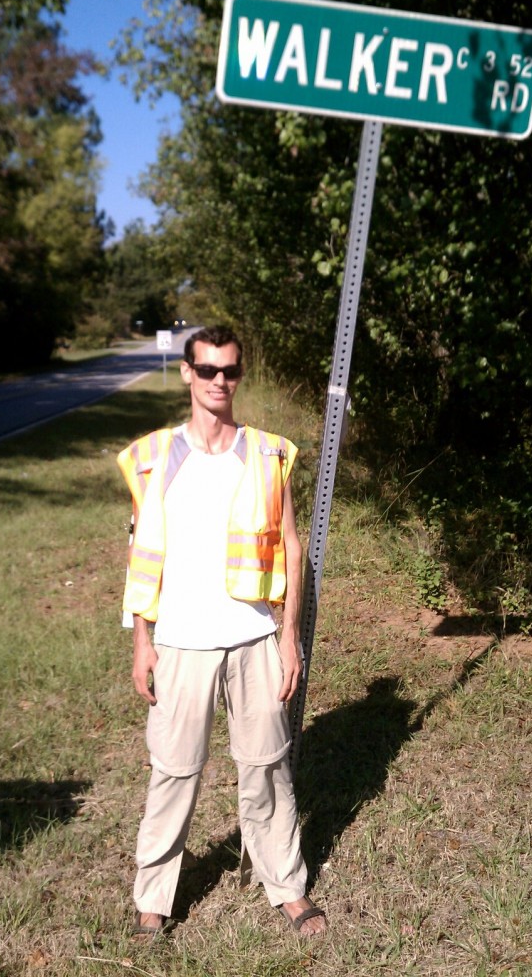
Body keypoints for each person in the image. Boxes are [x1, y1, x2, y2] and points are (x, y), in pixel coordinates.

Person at [117, 324, 326, 940]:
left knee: (266, 766)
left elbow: (291, 547)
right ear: (187, 372)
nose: (218, 382)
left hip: (254, 637)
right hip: (180, 641)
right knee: (174, 771)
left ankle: (286, 886)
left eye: (229, 371)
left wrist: (289, 635)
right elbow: (143, 553)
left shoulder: (266, 452)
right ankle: (154, 898)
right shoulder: (153, 456)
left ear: (240, 375)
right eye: (207, 370)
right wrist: (142, 641)